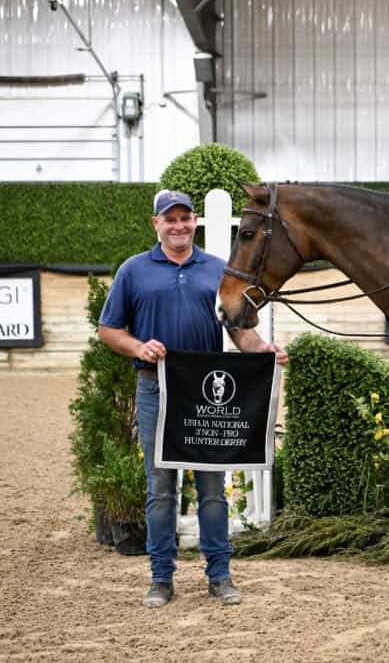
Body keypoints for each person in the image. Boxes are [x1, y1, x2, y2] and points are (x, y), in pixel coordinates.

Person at [98, 189, 287, 608]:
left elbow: (239, 329)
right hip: (156, 389)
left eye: (185, 218)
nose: (178, 226)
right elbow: (108, 329)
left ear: (195, 221)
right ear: (156, 224)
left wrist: (263, 349)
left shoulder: (218, 271)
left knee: (213, 489)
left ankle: (220, 575)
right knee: (160, 488)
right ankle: (161, 577)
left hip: (206, 393)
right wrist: (137, 347)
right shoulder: (133, 271)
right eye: (170, 219)